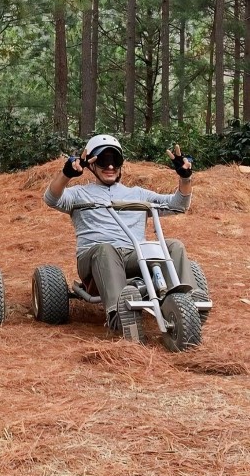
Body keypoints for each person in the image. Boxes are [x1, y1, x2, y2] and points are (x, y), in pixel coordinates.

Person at [43, 134, 195, 333]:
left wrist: (185, 178)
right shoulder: (79, 194)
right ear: (91, 164)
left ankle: (189, 305)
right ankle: (120, 315)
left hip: (134, 256)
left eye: (116, 161)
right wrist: (67, 174)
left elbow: (179, 205)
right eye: (104, 161)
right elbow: (51, 199)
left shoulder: (138, 194)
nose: (110, 167)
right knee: (106, 249)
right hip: (96, 258)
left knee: (174, 245)